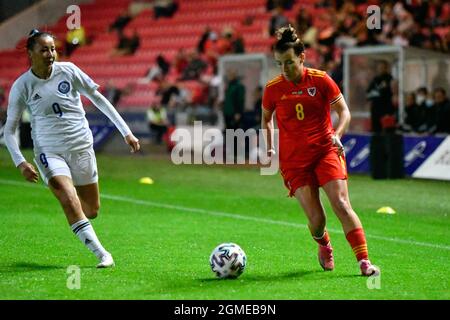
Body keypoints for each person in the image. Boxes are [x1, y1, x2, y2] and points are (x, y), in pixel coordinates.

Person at [4, 29, 140, 268]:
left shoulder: (69, 70)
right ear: (30, 53)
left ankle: (75, 213)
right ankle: (102, 254)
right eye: (44, 49)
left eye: (53, 49)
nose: (50, 54)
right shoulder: (22, 86)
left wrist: (126, 131)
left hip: (81, 147)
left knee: (92, 209)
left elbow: (98, 99)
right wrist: (21, 162)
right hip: (49, 151)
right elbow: (9, 129)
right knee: (68, 197)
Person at [261, 25, 379, 276]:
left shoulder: (321, 79)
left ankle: (364, 262)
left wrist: (337, 135)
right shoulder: (273, 88)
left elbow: (344, 112)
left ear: (301, 57)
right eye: (279, 63)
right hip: (294, 160)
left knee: (341, 203)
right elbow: (266, 119)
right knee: (317, 221)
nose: (285, 69)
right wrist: (270, 147)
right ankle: (324, 244)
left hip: (325, 150)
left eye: (289, 62)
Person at [366, 60, 394, 133]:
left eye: (382, 67)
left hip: (386, 108)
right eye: (379, 67)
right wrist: (377, 92)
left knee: (387, 130)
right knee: (375, 128)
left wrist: (375, 92)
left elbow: (385, 92)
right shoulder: (375, 79)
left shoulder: (389, 78)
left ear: (386, 68)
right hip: (375, 107)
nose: (380, 69)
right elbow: (368, 93)